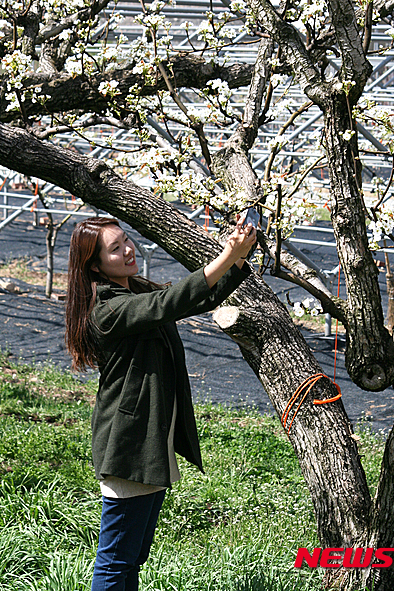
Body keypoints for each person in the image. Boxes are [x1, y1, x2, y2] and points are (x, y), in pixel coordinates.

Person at [65, 215, 256, 591]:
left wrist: (237, 259)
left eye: (126, 241)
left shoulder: (132, 291)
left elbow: (193, 297)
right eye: (115, 248)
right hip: (129, 445)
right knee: (117, 559)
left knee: (132, 558)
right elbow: (170, 301)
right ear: (95, 265)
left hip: (149, 441)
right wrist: (227, 254)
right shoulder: (107, 309)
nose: (128, 250)